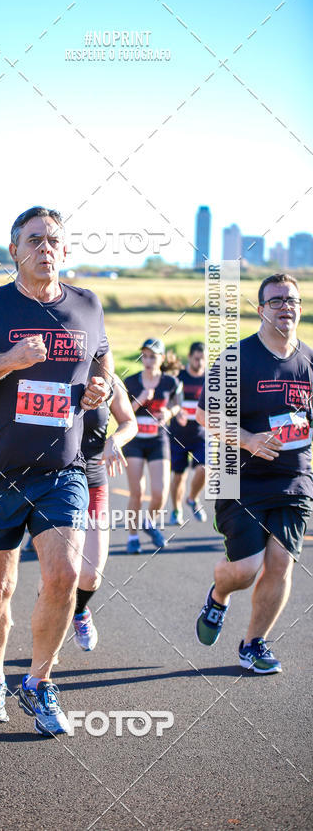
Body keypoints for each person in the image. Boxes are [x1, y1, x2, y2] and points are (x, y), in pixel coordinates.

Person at [0, 205, 113, 736]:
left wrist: (100, 387)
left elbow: (102, 357)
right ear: (13, 249)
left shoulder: (87, 305)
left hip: (62, 469)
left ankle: (39, 682)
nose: (45, 248)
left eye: (54, 240)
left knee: (63, 573)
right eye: (33, 239)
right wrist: (5, 362)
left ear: (65, 249)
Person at [195, 273, 313, 673]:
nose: (286, 307)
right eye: (276, 300)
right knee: (245, 569)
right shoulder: (237, 358)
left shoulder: (309, 361)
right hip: (239, 477)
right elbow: (205, 415)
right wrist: (248, 440)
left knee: (280, 562)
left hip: (293, 479)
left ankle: (254, 643)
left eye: (292, 300)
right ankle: (218, 595)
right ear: (261, 309)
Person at [70, 371, 137, 650]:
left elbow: (129, 422)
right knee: (60, 572)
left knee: (91, 574)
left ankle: (79, 612)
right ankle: (47, 634)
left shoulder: (107, 377)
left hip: (94, 481)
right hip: (56, 484)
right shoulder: (57, 370)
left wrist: (114, 441)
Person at [122, 339, 183, 553]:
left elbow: (178, 405)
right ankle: (132, 537)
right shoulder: (130, 382)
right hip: (135, 440)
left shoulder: (170, 382)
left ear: (162, 358)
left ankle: (149, 522)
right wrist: (139, 400)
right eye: (145, 356)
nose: (147, 360)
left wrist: (170, 413)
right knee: (137, 492)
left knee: (160, 492)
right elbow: (121, 412)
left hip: (158, 440)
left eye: (153, 356)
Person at [168, 342, 208, 524]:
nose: (200, 363)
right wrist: (175, 410)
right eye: (197, 358)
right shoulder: (179, 378)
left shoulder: (210, 380)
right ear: (190, 357)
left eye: (203, 359)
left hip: (200, 435)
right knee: (178, 476)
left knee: (205, 469)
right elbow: (166, 400)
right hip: (178, 434)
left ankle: (192, 498)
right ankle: (176, 510)